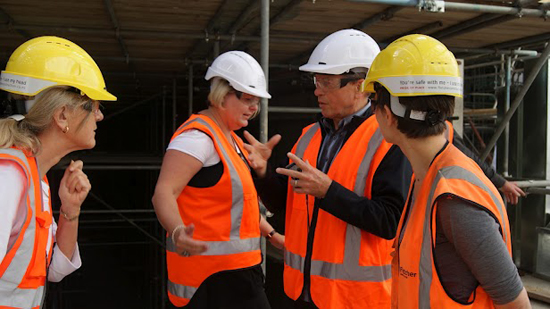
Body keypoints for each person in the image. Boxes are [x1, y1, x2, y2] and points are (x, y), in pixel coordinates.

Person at [245, 29, 412, 308]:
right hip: (301, 294)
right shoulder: (309, 135)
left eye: (326, 82)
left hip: (355, 299)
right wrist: (263, 173)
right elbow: (288, 205)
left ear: (360, 85)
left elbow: (390, 222)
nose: (316, 90)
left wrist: (328, 192)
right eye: (316, 80)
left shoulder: (389, 139)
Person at [362, 34, 530, 308]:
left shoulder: (454, 199)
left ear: (389, 114)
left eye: (372, 100)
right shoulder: (428, 178)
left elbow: (516, 304)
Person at [152, 51, 281, 308]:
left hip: (238, 275)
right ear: (222, 95)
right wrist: (178, 232)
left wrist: (272, 235)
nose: (254, 108)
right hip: (209, 279)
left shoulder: (230, 138)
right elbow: (163, 193)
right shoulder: (197, 138)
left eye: (256, 101)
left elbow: (236, 208)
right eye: (247, 99)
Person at [0, 36, 115, 308]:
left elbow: (54, 270)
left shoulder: (35, 178)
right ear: (62, 115)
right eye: (95, 104)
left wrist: (70, 211)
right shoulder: (8, 176)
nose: (99, 116)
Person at [444, 121, 526, 205]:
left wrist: (500, 182)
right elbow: (469, 159)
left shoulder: (443, 129)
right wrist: (500, 182)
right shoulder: (444, 129)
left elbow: (468, 159)